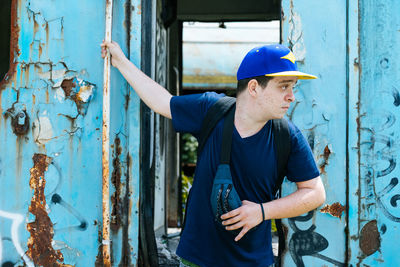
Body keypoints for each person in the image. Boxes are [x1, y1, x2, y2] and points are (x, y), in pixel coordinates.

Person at [101, 41, 326, 267]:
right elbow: (162, 102)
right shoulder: (212, 110)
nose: (291, 97)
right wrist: (120, 61)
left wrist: (261, 211)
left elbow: (315, 193)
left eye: (293, 87)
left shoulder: (287, 136)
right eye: (284, 86)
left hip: (254, 262)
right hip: (196, 260)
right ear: (254, 87)